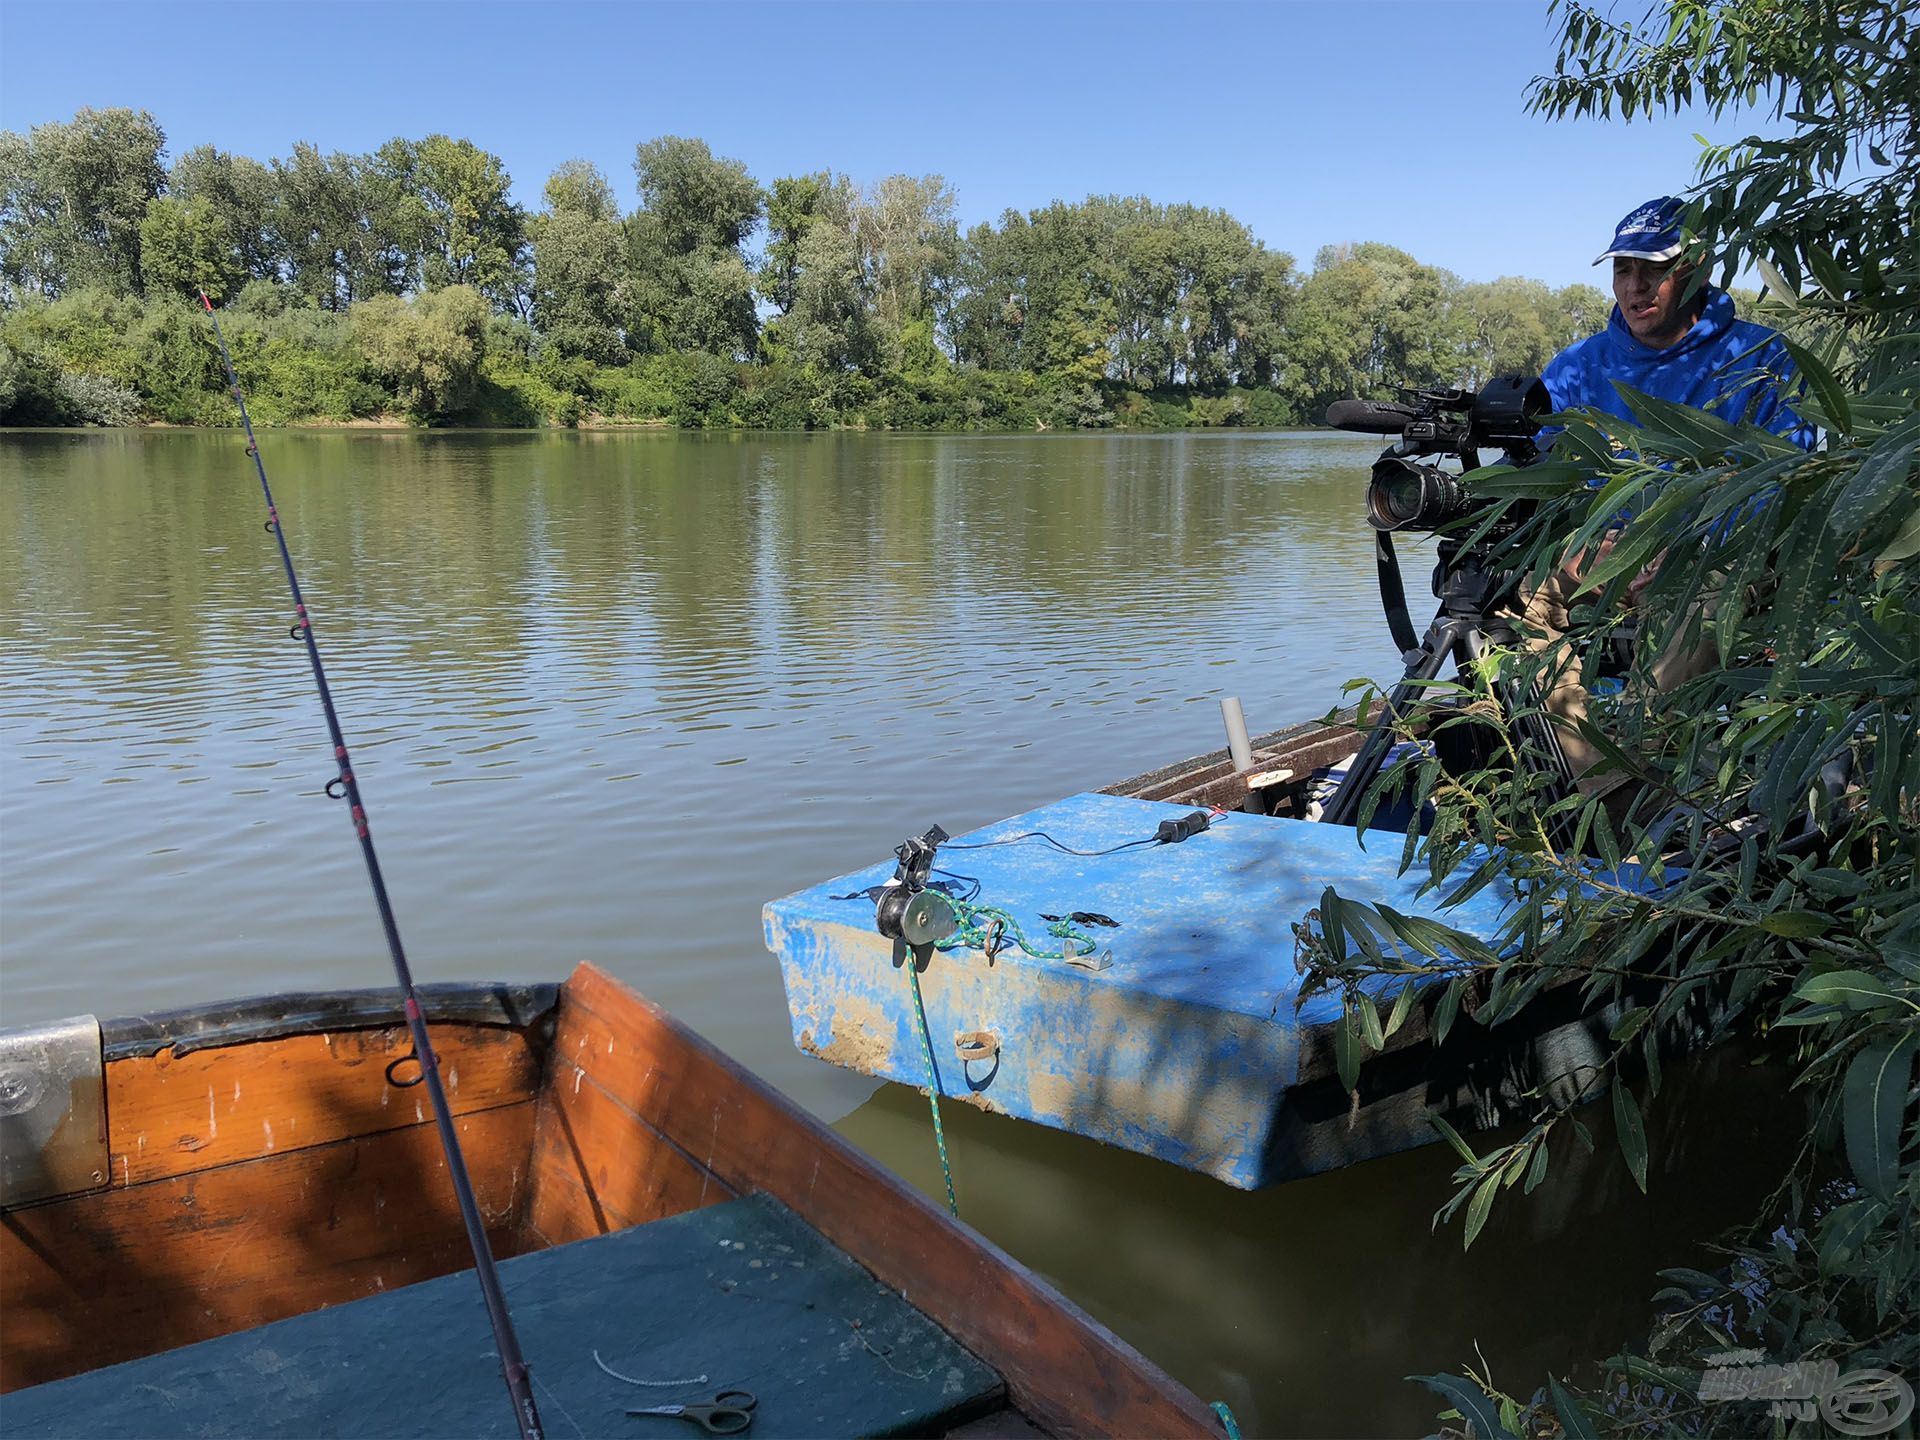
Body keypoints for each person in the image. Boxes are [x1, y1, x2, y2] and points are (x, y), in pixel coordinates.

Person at [1518, 196, 1815, 808]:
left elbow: (1787, 482)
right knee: (1507, 606)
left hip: (1712, 555)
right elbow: (1546, 480)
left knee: (1703, 605)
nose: (1636, 286)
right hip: (1603, 552)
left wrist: (1683, 549)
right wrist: (1576, 542)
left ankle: (1624, 785)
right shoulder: (1576, 367)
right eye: (1624, 269)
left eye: (1655, 269)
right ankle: (1619, 786)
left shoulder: (1762, 360)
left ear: (1698, 269)